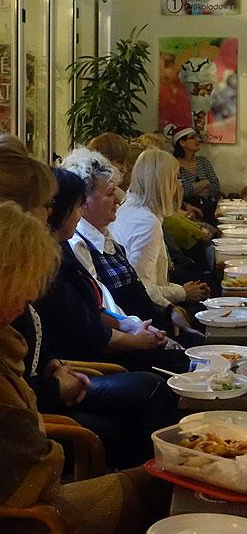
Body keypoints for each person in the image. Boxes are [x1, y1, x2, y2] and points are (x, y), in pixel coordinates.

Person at [0, 201, 170, 534]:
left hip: (32, 499)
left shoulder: (8, 338)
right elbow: (32, 475)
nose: (30, 297)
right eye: (24, 286)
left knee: (162, 473)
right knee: (164, 483)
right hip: (31, 517)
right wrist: (36, 413)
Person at [63, 148, 202, 340]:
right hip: (136, 338)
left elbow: (138, 289)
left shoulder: (107, 236)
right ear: (84, 201)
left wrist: (168, 309)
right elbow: (102, 311)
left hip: (148, 326)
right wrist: (143, 334)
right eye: (110, 193)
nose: (119, 200)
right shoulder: (79, 245)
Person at [109, 148, 210, 314]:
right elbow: (141, 287)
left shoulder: (129, 208)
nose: (177, 186)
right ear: (164, 183)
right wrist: (182, 293)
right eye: (174, 179)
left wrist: (180, 289)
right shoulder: (145, 223)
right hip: (147, 315)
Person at [172, 126, 220, 225]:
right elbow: (181, 191)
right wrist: (205, 182)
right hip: (189, 210)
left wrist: (194, 190)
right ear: (182, 143)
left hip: (211, 207)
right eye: (192, 137)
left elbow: (216, 186)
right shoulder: (174, 165)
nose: (197, 140)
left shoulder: (203, 161)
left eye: (196, 137)